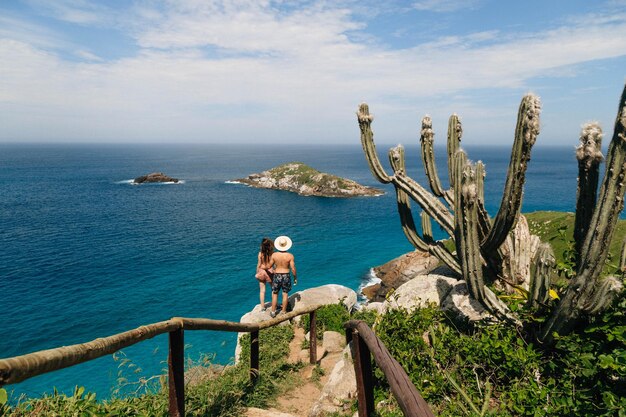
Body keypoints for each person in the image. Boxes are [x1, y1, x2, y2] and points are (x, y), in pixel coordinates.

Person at [269, 235, 297, 318]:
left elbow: (269, 266)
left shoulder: (274, 255)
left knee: (275, 293)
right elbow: (293, 269)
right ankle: (283, 312)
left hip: (277, 275)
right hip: (286, 275)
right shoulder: (290, 256)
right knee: (285, 294)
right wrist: (295, 277)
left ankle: (273, 312)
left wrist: (274, 270)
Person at [255, 237, 274, 311]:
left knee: (262, 290)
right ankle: (274, 304)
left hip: (261, 271)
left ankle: (262, 307)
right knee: (273, 289)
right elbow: (273, 264)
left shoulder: (260, 254)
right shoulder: (272, 254)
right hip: (270, 271)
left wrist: (257, 272)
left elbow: (259, 264)